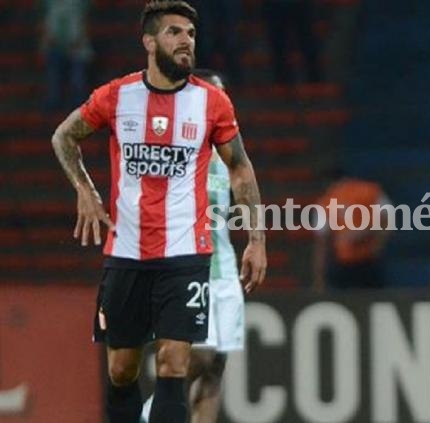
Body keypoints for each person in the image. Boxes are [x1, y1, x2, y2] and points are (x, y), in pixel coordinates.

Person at [50, 2, 267, 422]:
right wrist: (86, 191)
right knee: (121, 369)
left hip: (186, 253)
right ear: (149, 42)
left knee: (174, 366)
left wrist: (257, 240)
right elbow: (64, 137)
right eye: (175, 32)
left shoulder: (212, 103)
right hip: (127, 251)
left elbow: (240, 169)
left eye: (191, 33)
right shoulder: (117, 96)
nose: (186, 40)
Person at [139, 69, 245, 423]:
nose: (221, 102)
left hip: (222, 269)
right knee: (194, 360)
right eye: (215, 95)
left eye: (224, 94)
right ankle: (155, 413)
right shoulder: (177, 145)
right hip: (185, 267)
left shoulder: (230, 154)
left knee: (216, 366)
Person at [313, 169, 391, 290]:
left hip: (345, 262)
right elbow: (388, 218)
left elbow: (322, 243)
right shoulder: (371, 191)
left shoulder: (326, 201)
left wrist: (319, 278)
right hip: (370, 259)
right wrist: (375, 240)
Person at [39, 0, 93, 110]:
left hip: (76, 47)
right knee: (54, 74)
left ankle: (79, 104)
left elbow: (85, 20)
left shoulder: (79, 4)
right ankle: (54, 101)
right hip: (55, 47)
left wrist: (78, 42)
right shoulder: (51, 5)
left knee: (77, 76)